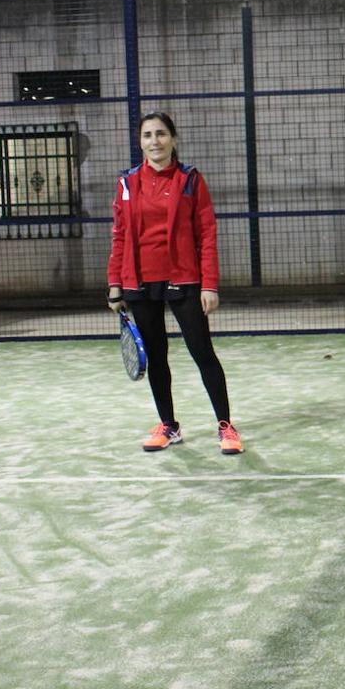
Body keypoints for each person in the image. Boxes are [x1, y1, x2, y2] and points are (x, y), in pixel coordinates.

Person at [106, 112, 242, 455]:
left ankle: (225, 426)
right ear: (140, 142)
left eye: (161, 134)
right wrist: (114, 283)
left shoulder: (190, 180)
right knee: (157, 356)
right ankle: (169, 425)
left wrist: (209, 284)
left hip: (184, 279)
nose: (155, 141)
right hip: (138, 282)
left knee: (202, 352)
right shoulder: (127, 183)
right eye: (148, 135)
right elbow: (119, 235)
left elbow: (206, 234)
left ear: (173, 139)